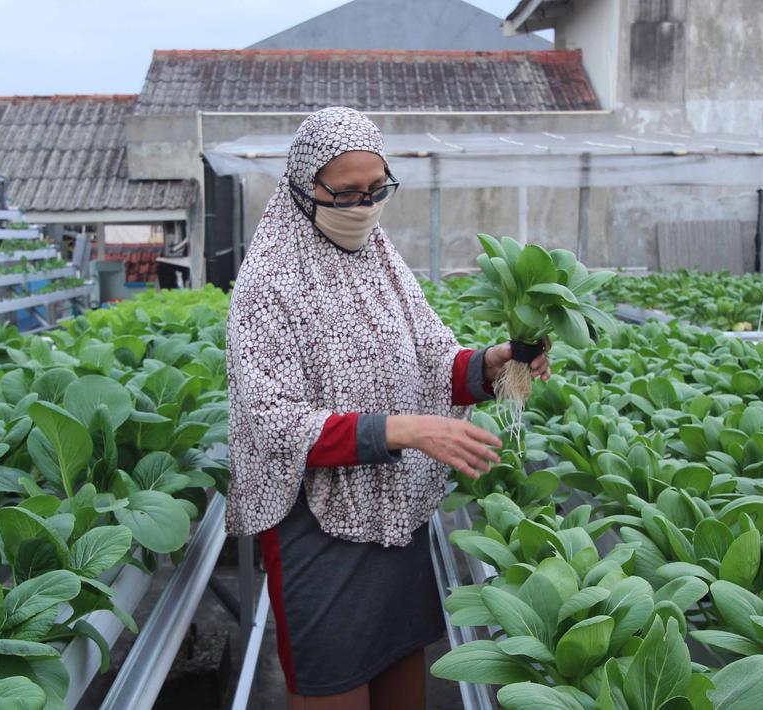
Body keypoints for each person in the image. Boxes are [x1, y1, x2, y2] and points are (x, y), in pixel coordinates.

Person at [225, 107, 551, 710]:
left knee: (403, 675)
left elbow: (431, 359)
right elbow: (275, 423)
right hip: (316, 523)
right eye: (344, 192)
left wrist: (491, 364)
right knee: (335, 686)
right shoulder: (267, 284)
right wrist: (404, 430)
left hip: (395, 515)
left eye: (376, 189)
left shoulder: (383, 263)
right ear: (302, 185)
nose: (364, 206)